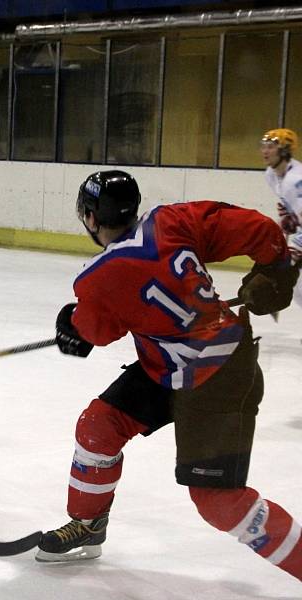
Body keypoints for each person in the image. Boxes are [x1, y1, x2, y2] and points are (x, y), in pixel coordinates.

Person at [35, 170, 302, 583]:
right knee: (98, 427)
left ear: (90, 218)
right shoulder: (174, 220)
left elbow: (96, 332)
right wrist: (278, 271)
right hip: (180, 366)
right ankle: (89, 526)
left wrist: (72, 326)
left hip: (216, 381)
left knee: (219, 501)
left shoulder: (99, 277)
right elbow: (258, 228)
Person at [261, 127, 302, 308]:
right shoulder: (271, 175)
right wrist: (289, 215)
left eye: (271, 147)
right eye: (264, 146)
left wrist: (296, 246)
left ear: (284, 151)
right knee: (299, 290)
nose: (265, 151)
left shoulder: (295, 179)